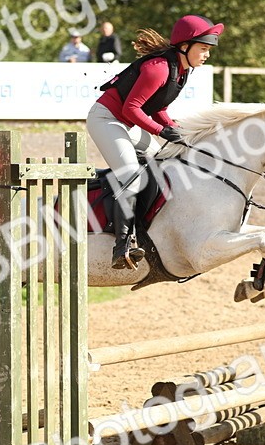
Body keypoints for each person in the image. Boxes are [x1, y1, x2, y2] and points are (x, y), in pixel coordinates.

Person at [89, 14, 223, 269]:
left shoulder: (181, 70)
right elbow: (132, 108)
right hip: (106, 120)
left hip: (127, 125)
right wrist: (161, 132)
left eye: (208, 50)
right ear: (185, 46)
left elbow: (157, 107)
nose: (207, 54)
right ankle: (122, 245)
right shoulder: (159, 68)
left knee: (170, 160)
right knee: (131, 175)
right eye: (203, 48)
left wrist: (177, 130)